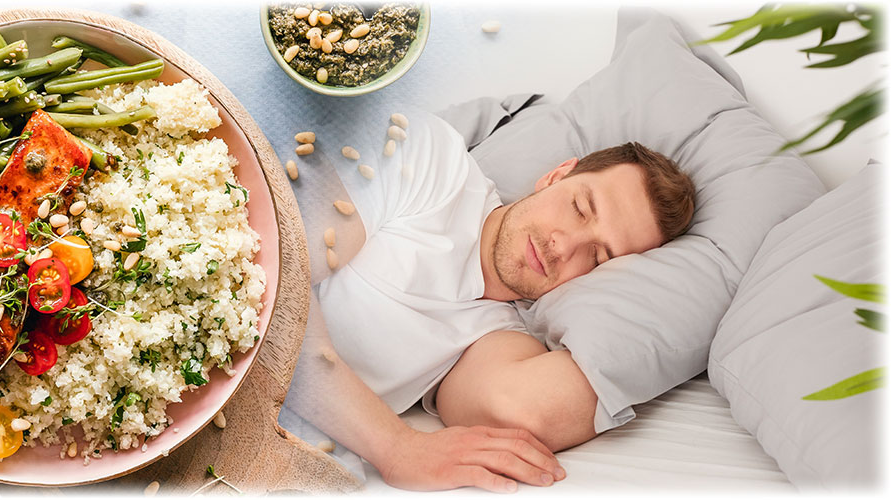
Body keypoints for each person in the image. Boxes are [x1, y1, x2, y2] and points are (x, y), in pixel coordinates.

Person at [284, 113, 696, 493]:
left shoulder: (497, 337)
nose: (564, 245)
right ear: (556, 175)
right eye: (579, 208)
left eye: (598, 257)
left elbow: (524, 411)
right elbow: (278, 282)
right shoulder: (430, 159)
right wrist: (396, 447)